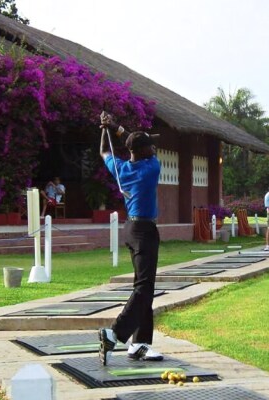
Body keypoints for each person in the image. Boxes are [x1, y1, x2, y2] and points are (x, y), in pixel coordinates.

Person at [97, 112, 163, 365]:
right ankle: (114, 333)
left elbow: (104, 151)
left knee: (144, 288)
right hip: (145, 231)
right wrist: (116, 128)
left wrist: (105, 129)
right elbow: (133, 144)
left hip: (131, 229)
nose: (155, 148)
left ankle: (140, 344)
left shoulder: (122, 168)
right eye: (151, 145)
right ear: (145, 151)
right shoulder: (151, 167)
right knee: (145, 288)